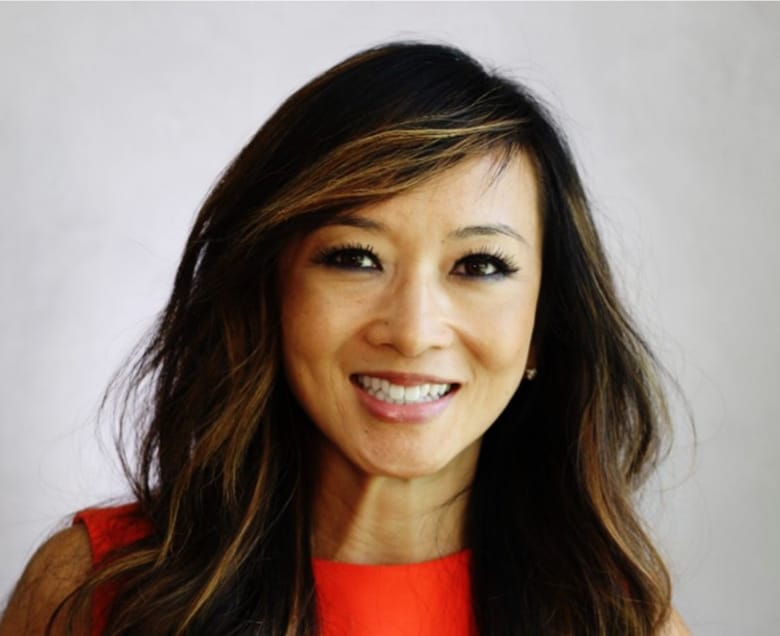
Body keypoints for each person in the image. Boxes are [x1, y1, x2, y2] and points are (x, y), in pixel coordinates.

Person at [0, 42, 691, 635]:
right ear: (271, 293)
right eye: (355, 257)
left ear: (545, 326)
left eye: (480, 266)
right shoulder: (94, 590)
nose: (413, 332)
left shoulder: (620, 620)